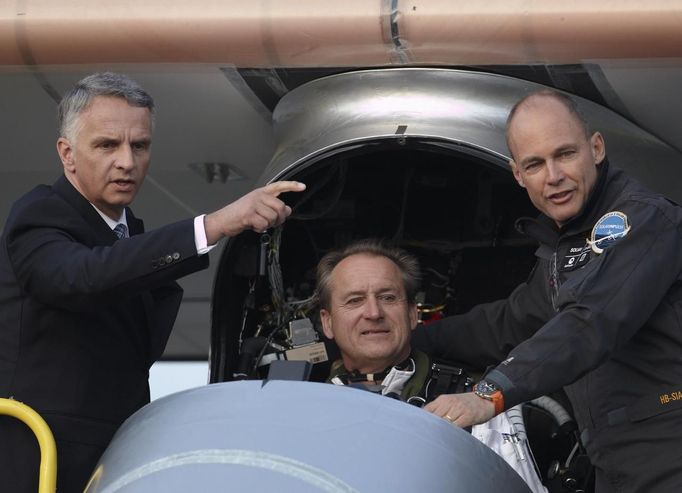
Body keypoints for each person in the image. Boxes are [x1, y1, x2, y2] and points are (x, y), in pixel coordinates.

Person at [0, 72, 305, 491]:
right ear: (67, 154)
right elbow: (81, 277)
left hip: (116, 459)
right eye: (107, 145)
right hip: (37, 463)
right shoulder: (39, 214)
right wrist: (214, 225)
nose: (126, 161)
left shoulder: (131, 236)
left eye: (139, 145)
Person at [412, 89, 682, 492]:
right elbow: (509, 323)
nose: (553, 176)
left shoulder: (644, 219)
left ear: (596, 148)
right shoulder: (565, 249)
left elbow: (590, 321)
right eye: (535, 164)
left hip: (667, 449)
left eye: (565, 154)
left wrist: (488, 395)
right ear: (518, 174)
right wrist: (406, 340)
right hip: (613, 462)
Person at [315, 239, 546, 493]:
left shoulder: (475, 402)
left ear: (413, 313)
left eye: (388, 297)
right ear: (327, 323)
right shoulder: (303, 410)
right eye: (354, 300)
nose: (373, 312)